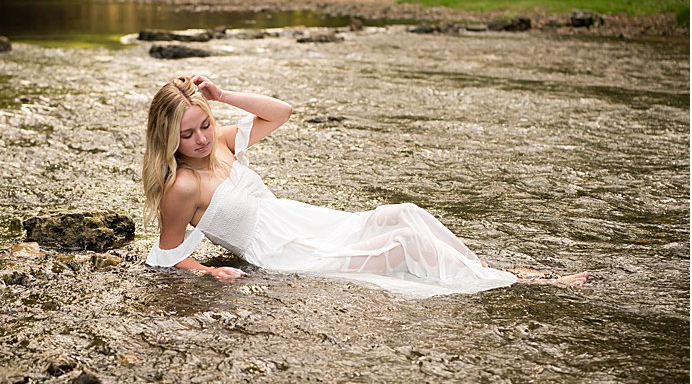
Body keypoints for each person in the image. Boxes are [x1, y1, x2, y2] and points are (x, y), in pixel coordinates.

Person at [144, 75, 588, 292]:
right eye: (187, 134)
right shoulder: (182, 186)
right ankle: (521, 280)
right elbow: (167, 255)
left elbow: (281, 112)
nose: (200, 139)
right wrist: (209, 270)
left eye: (204, 124)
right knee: (402, 246)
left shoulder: (220, 143)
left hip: (305, 221)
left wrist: (222, 96)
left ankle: (492, 271)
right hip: (285, 250)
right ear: (167, 137)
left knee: (404, 215)